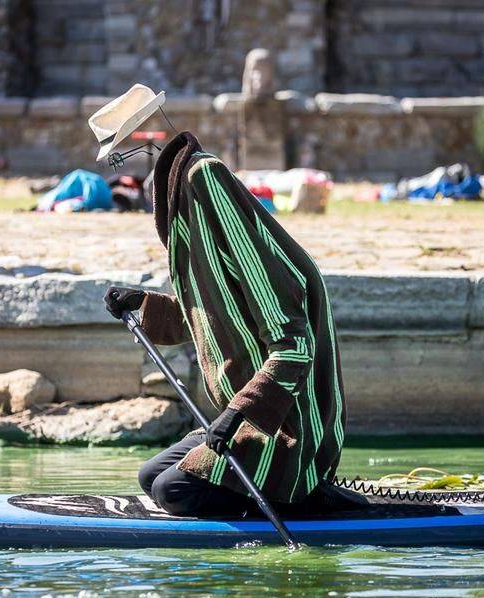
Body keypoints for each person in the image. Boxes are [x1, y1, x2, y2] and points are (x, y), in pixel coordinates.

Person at [104, 131, 351, 518]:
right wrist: (142, 303)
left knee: (174, 491)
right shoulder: (216, 251)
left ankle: (298, 497)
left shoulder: (253, 256)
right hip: (244, 422)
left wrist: (235, 414)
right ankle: (255, 487)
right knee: (151, 477)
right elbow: (210, 318)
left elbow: (294, 347)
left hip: (284, 430)